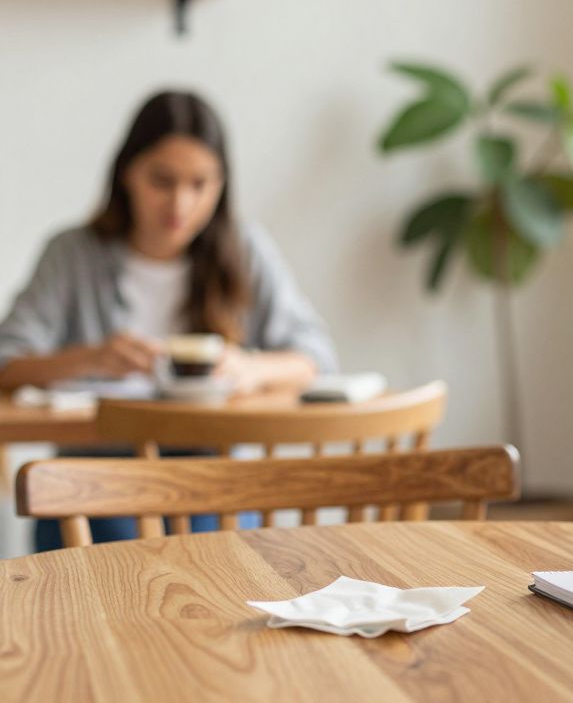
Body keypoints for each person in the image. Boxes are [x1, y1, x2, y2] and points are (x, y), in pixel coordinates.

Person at [0, 90, 338, 550]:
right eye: (162, 180)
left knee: (230, 542)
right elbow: (7, 361)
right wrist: (92, 357)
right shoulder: (72, 254)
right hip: (95, 482)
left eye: (200, 184)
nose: (180, 203)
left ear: (222, 186)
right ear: (127, 174)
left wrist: (249, 368)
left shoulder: (243, 250)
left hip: (213, 479)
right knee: (114, 546)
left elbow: (315, 354)